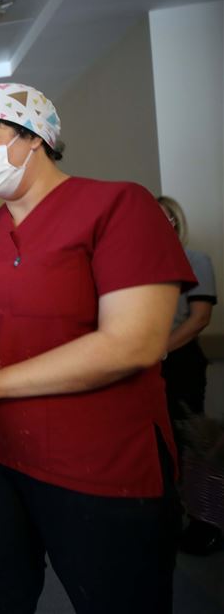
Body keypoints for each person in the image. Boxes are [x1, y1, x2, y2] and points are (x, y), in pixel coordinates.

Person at [0, 83, 196, 613]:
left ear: (35, 137)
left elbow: (132, 342)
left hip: (97, 463)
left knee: (116, 597)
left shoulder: (119, 206)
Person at [156, 195, 220, 555]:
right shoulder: (139, 264)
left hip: (180, 362)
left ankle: (204, 523)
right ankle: (167, 515)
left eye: (166, 218)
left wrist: (159, 350)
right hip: (145, 366)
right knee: (158, 444)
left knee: (191, 441)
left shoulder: (196, 261)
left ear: (177, 222)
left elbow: (199, 319)